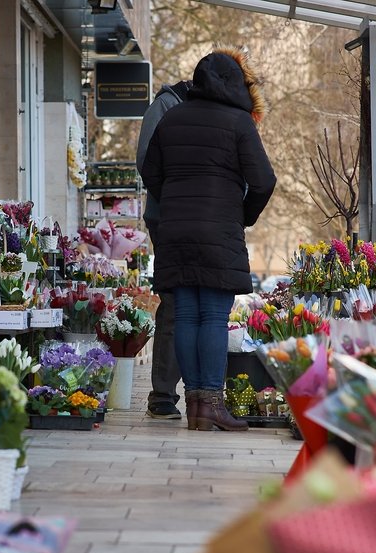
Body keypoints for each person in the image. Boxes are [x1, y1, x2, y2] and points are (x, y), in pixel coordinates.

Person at [140, 46, 276, 432]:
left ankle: (194, 406)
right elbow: (264, 180)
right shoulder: (239, 123)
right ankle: (211, 405)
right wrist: (243, 213)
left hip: (176, 229)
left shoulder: (173, 117)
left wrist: (175, 203)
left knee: (184, 314)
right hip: (219, 230)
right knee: (214, 316)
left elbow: (151, 173)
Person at [136, 80, 192, 420]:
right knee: (174, 300)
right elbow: (148, 163)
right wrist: (177, 202)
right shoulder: (166, 105)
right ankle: (163, 394)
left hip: (205, 219)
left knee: (201, 305)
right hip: (168, 218)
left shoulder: (225, 110)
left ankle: (203, 394)